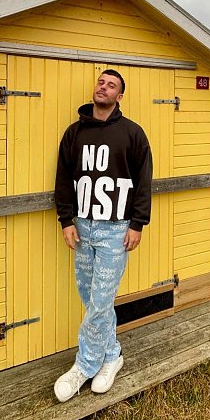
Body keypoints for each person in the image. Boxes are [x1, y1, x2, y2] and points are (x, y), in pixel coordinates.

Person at [53, 68, 152, 402]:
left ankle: (84, 365)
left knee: (100, 300)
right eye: (101, 82)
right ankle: (112, 355)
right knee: (91, 297)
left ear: (119, 96)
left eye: (111, 85)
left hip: (116, 229)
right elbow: (63, 178)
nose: (104, 87)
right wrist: (66, 220)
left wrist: (137, 224)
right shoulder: (74, 133)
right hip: (82, 226)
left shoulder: (133, 134)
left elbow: (143, 181)